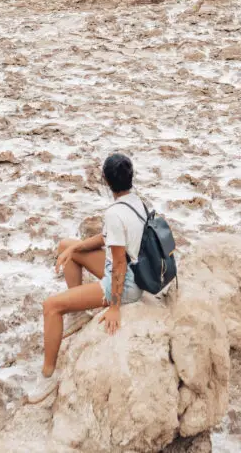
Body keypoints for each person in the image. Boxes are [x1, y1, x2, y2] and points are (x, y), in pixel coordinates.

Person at [26, 152, 147, 403]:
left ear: (105, 181)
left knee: (51, 306)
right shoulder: (136, 203)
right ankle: (78, 316)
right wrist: (74, 248)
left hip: (126, 283)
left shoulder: (115, 212)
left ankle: (47, 375)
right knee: (65, 246)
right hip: (134, 271)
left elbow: (120, 263)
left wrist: (114, 307)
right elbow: (107, 238)